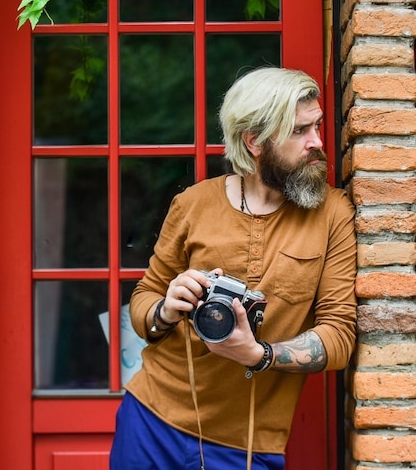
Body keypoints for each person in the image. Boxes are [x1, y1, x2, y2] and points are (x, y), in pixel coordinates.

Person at [110, 67, 357, 470]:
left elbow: (339, 334)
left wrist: (258, 354)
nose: (317, 143)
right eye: (299, 131)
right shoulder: (192, 204)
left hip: (247, 445)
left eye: (316, 126)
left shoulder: (334, 215)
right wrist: (166, 309)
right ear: (255, 141)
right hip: (151, 420)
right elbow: (144, 300)